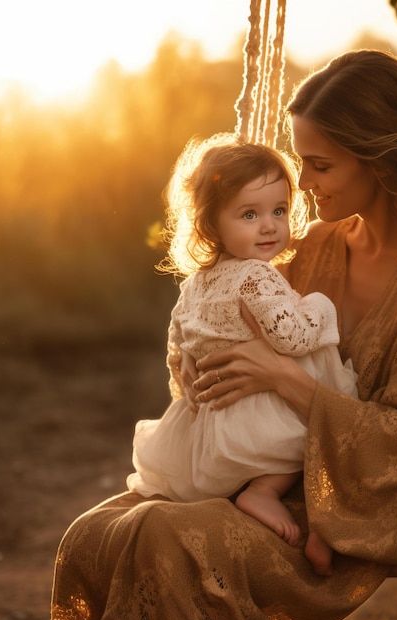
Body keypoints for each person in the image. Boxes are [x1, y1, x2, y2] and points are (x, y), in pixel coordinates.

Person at [51, 49, 397, 620]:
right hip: (266, 478)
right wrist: (196, 366)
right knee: (91, 534)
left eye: (319, 165)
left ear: (379, 163)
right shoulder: (315, 248)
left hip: (361, 503)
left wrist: (283, 379)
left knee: (164, 536)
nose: (303, 183)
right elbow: (238, 325)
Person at [125, 134, 357, 576]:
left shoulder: (197, 282)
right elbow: (290, 338)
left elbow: (177, 343)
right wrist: (320, 307)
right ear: (212, 226)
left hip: (214, 424)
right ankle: (266, 492)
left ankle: (259, 491)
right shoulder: (256, 278)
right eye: (249, 215)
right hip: (260, 417)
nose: (269, 225)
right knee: (321, 421)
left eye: (279, 211)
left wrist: (186, 383)